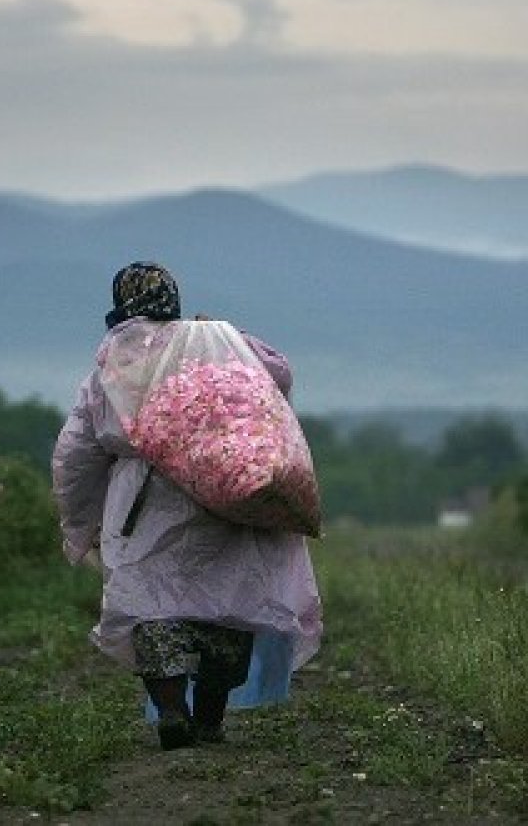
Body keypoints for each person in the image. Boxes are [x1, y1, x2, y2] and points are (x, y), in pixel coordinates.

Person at [51, 261, 324, 750]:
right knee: (228, 608)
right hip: (226, 498)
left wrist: (79, 522)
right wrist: (231, 335)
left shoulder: (113, 367)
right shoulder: (218, 349)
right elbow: (278, 377)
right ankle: (209, 718)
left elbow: (77, 455)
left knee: (151, 608)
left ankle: (172, 710)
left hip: (146, 506)